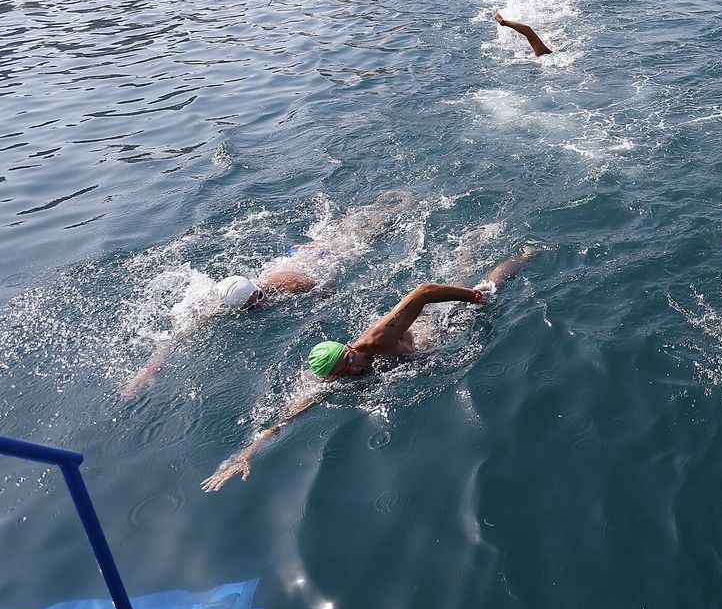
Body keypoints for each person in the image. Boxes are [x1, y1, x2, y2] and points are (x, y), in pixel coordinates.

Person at [202, 244, 544, 490]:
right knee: (461, 274)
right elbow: (288, 415)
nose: (354, 367)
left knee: (487, 288)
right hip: (415, 353)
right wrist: (245, 454)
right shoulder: (335, 380)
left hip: (438, 328)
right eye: (345, 369)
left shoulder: (376, 339)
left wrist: (474, 298)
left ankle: (525, 255)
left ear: (349, 351)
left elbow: (423, 293)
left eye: (351, 359)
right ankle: (470, 250)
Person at [121, 191, 415, 397]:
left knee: (361, 239)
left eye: (260, 297)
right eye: (252, 307)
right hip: (295, 258)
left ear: (260, 289)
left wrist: (323, 304)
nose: (261, 306)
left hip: (317, 259)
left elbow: (328, 282)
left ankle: (391, 209)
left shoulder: (287, 284)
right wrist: (148, 371)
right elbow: (179, 336)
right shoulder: (214, 302)